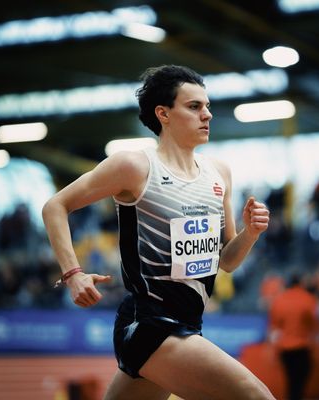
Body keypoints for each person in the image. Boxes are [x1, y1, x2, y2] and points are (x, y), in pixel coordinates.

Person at [42, 65, 275, 400]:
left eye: (207, 106)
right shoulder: (134, 166)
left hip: (189, 323)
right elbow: (55, 206)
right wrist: (73, 273)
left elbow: (227, 262)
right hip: (149, 325)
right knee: (256, 396)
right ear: (163, 113)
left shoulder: (218, 173)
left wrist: (251, 233)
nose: (206, 114)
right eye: (194, 107)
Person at [268, 273, 319, 400]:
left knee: (291, 381)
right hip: (302, 347)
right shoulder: (308, 298)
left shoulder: (279, 300)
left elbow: (274, 327)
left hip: (285, 348)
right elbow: (313, 324)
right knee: (300, 382)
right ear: (301, 283)